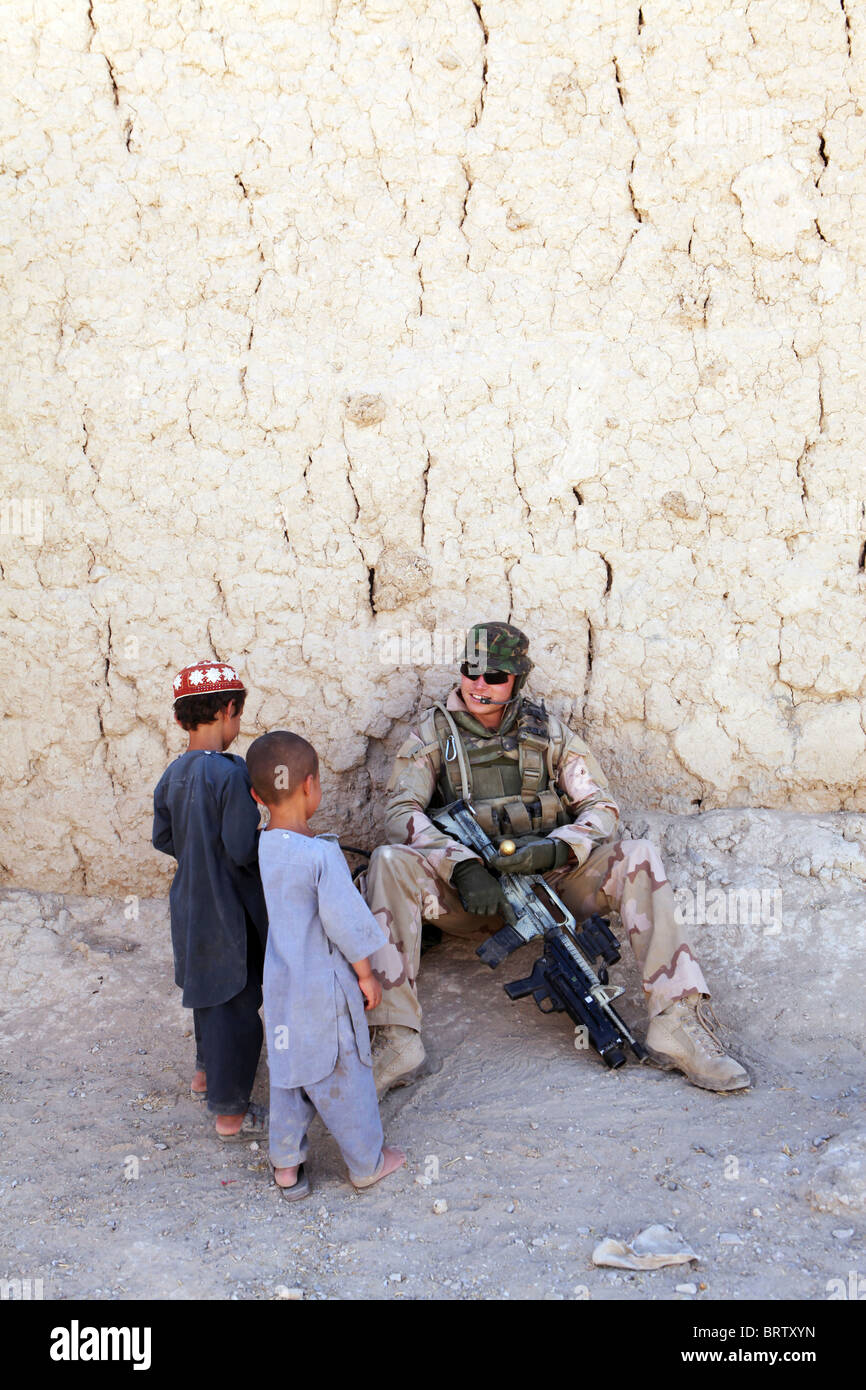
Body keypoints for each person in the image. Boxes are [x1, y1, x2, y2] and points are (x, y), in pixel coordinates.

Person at [364, 621, 751, 1098]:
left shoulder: (546, 731)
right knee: (386, 861)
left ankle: (676, 1024)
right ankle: (396, 1037)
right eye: (471, 671)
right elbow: (400, 813)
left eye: (495, 676)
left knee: (639, 858)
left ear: (517, 681)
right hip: (469, 898)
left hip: (551, 885)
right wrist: (458, 865)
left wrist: (556, 848)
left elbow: (601, 807)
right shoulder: (433, 733)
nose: (479, 685)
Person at [246, 729, 405, 1199]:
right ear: (312, 786)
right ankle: (367, 1163)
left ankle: (286, 1167)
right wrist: (366, 975)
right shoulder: (321, 855)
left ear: (257, 795)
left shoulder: (265, 846)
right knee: (345, 1074)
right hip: (325, 990)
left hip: (281, 987)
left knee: (289, 1075)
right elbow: (344, 923)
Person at [152, 660, 268, 1141]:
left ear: (181, 720)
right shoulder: (231, 773)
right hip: (229, 910)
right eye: (239, 715)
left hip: (190, 905)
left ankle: (204, 1074)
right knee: (237, 1009)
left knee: (206, 992)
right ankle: (230, 1114)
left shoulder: (172, 774)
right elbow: (242, 848)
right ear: (229, 709)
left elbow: (164, 839)